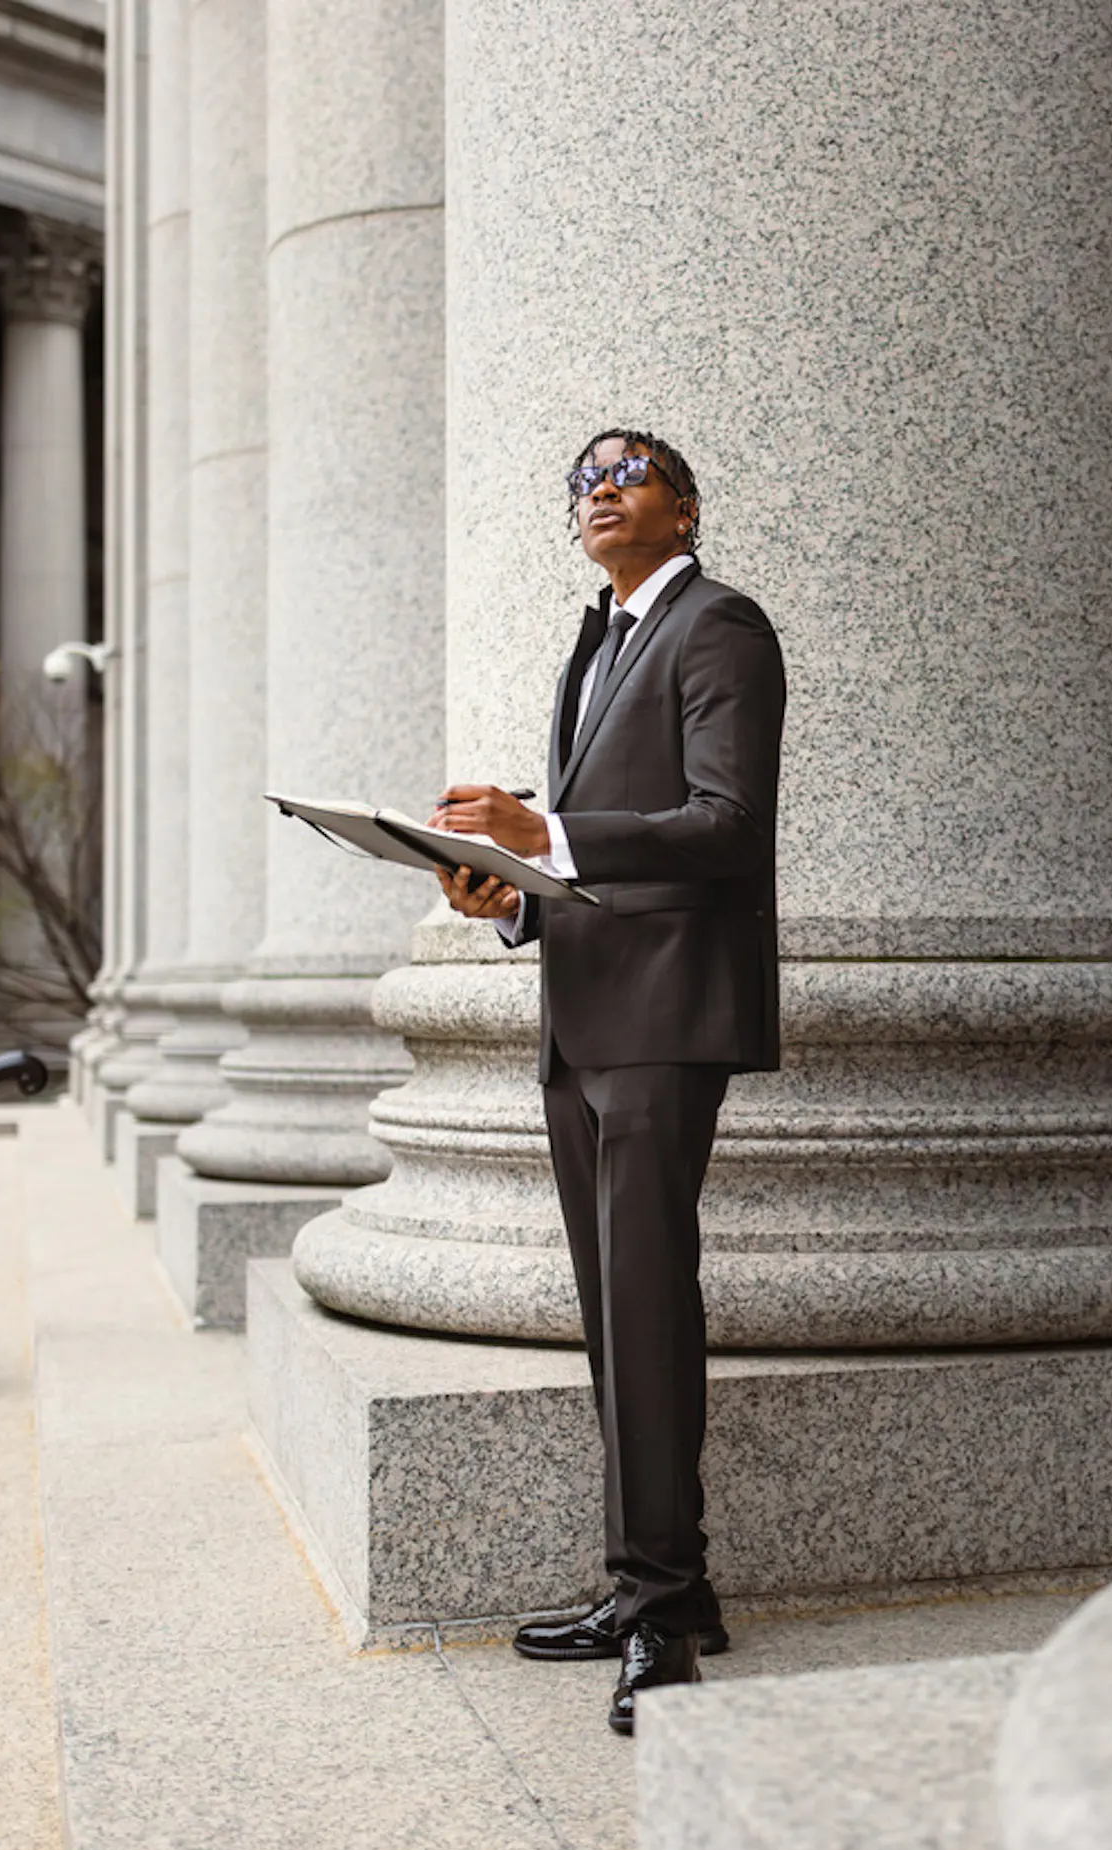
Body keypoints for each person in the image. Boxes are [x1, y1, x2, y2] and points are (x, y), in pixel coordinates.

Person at [430, 427, 785, 1736]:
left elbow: (729, 827)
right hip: (581, 1015)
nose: (600, 490)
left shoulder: (720, 626)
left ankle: (664, 1615)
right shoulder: (599, 642)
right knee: (613, 1316)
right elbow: (592, 856)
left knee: (647, 1310)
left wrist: (547, 830)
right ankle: (654, 1585)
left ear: (684, 506)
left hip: (664, 1016)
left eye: (627, 471)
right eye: (582, 479)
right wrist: (512, 893)